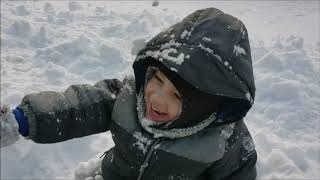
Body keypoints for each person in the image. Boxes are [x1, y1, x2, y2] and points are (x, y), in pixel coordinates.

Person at [0, 8, 257, 180]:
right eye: (156, 79)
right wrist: (23, 119)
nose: (156, 98)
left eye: (178, 96)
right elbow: (78, 106)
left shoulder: (225, 139)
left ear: (206, 106)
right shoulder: (127, 96)